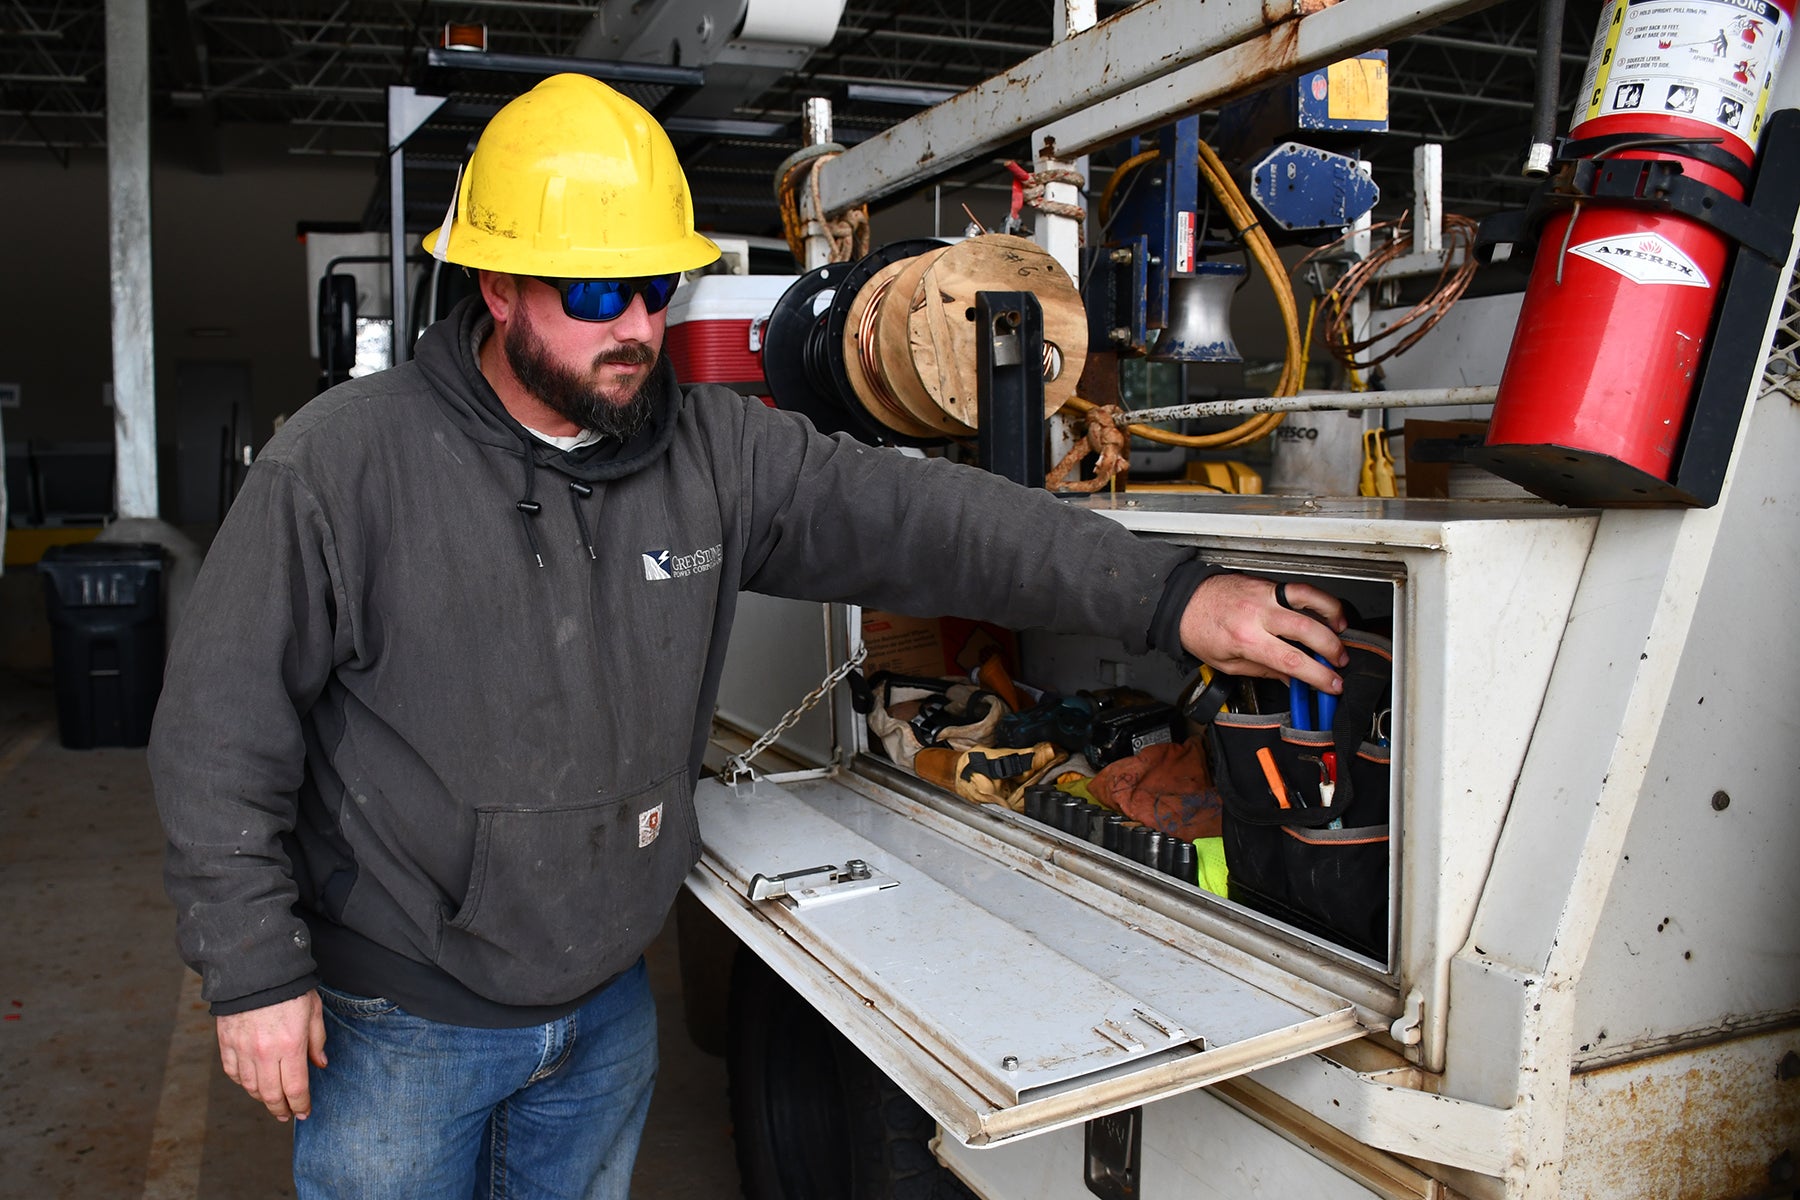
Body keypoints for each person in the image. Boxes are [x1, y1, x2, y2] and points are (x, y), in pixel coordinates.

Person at [148, 72, 1347, 1199]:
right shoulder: (344, 465)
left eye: (654, 290)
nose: (634, 327)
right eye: (591, 294)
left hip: (604, 1007)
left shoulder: (712, 451)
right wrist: (255, 971)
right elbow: (218, 733)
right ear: (497, 289)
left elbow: (923, 519)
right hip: (401, 1022)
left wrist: (1171, 595)